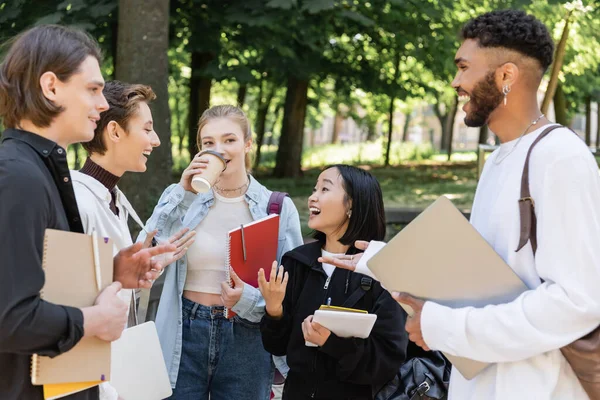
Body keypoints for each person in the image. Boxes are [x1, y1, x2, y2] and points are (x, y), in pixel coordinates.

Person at [326, 10, 600, 400]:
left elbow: (578, 302)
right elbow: (483, 278)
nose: (455, 82)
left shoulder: (560, 157)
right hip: (482, 383)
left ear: (506, 76)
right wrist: (383, 262)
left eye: (464, 67)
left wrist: (445, 327)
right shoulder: (501, 160)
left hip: (537, 387)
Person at [0, 25, 175, 400]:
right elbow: (10, 319)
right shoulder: (18, 176)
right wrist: (92, 320)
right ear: (51, 87)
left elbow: (37, 283)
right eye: (93, 90)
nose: (101, 103)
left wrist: (113, 273)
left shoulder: (39, 170)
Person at [141, 104, 304, 399]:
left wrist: (248, 299)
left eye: (229, 140)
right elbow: (143, 250)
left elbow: (291, 290)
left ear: (248, 144)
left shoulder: (275, 207)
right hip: (184, 330)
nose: (219, 150)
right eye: (209, 143)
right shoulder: (181, 197)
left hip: (247, 336)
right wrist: (183, 192)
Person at [71, 80, 196, 399]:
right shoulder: (77, 202)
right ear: (114, 131)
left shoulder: (113, 199)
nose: (155, 141)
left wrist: (138, 272)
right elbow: (71, 303)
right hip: (87, 380)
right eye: (147, 129)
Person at [259, 164, 408, 400]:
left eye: (324, 189)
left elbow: (387, 360)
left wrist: (331, 343)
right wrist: (274, 309)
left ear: (352, 204)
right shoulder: (297, 262)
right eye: (314, 189)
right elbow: (276, 346)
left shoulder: (381, 270)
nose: (312, 198)